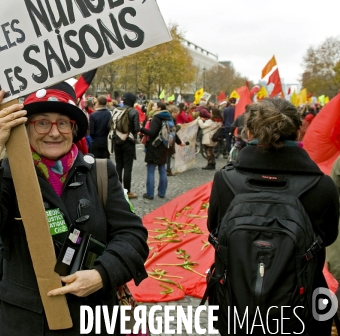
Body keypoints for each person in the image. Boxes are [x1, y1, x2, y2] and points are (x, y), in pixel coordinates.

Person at [0, 83, 149, 334]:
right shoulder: (5, 176)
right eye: (42, 122)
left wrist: (101, 274)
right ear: (25, 128)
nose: (54, 132)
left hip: (93, 318)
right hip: (28, 323)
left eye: (63, 122)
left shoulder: (100, 172)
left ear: (74, 128)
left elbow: (133, 236)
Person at [207, 98, 339, 335]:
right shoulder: (323, 186)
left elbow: (214, 228)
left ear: (248, 131)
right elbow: (328, 237)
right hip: (302, 308)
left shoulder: (224, 180)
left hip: (236, 304)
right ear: (298, 132)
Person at [139, 101, 182, 199]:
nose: (152, 107)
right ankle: (162, 193)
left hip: (154, 146)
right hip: (164, 146)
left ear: (158, 108)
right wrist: (180, 142)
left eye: (154, 105)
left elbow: (152, 132)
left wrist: (141, 129)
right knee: (162, 169)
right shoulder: (169, 117)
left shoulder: (156, 117)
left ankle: (150, 194)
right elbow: (174, 131)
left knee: (151, 170)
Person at [113, 92, 140, 199]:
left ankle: (118, 190)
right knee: (128, 167)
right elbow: (137, 128)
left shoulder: (116, 110)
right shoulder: (133, 111)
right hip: (128, 141)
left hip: (117, 141)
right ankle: (127, 191)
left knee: (118, 166)